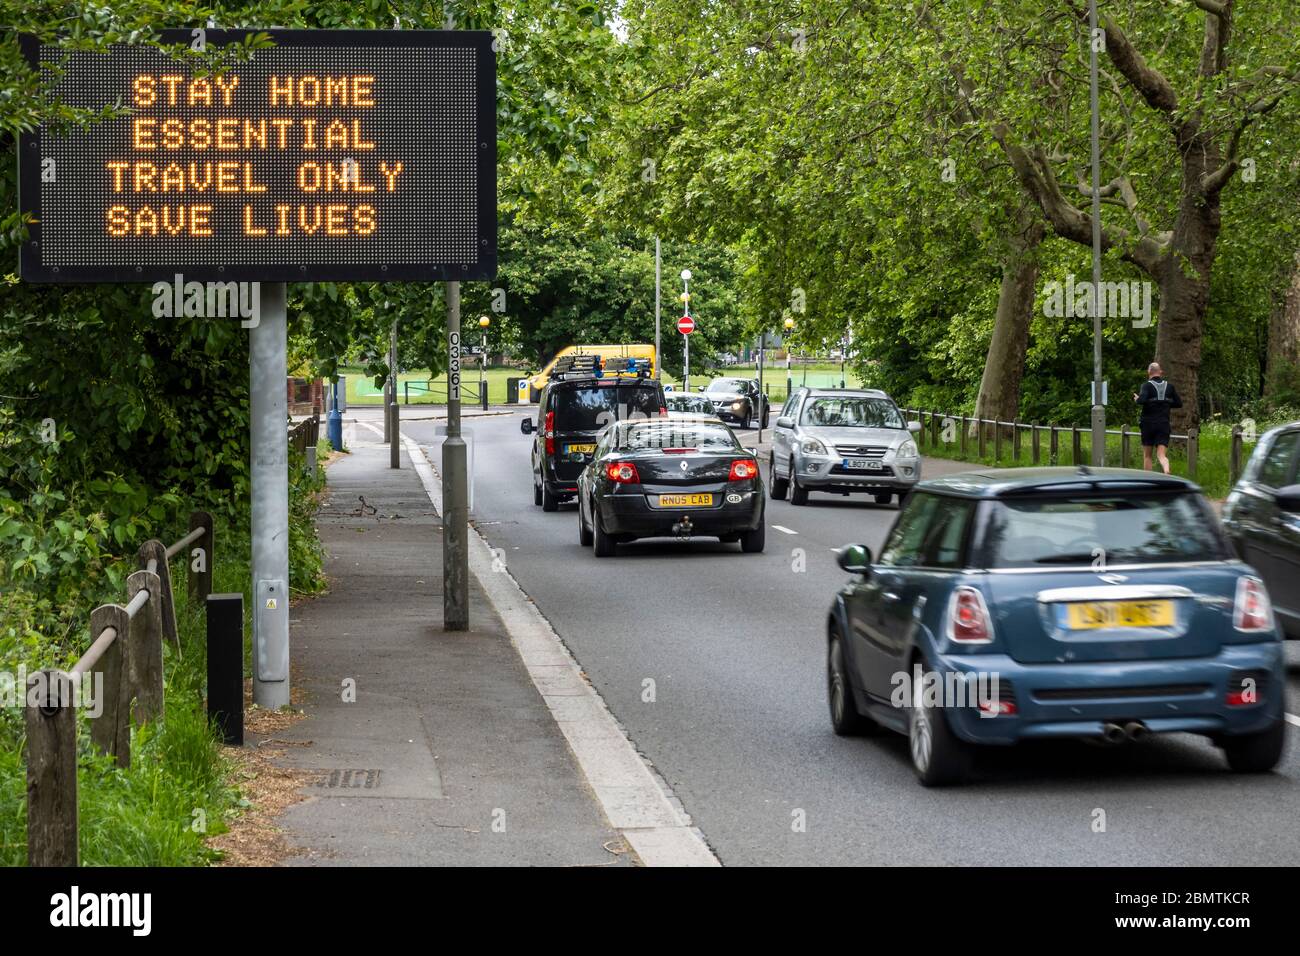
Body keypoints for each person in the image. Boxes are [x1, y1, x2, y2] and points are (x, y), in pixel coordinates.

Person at [1133, 362, 1182, 474]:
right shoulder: (1170, 387)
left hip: (1148, 424)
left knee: (1147, 456)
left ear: (1148, 372)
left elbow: (1142, 400)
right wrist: (1166, 403)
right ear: (1160, 372)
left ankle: (1148, 480)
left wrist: (1137, 399)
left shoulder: (1146, 385)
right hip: (1163, 424)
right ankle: (1166, 469)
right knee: (1161, 455)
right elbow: (1179, 403)